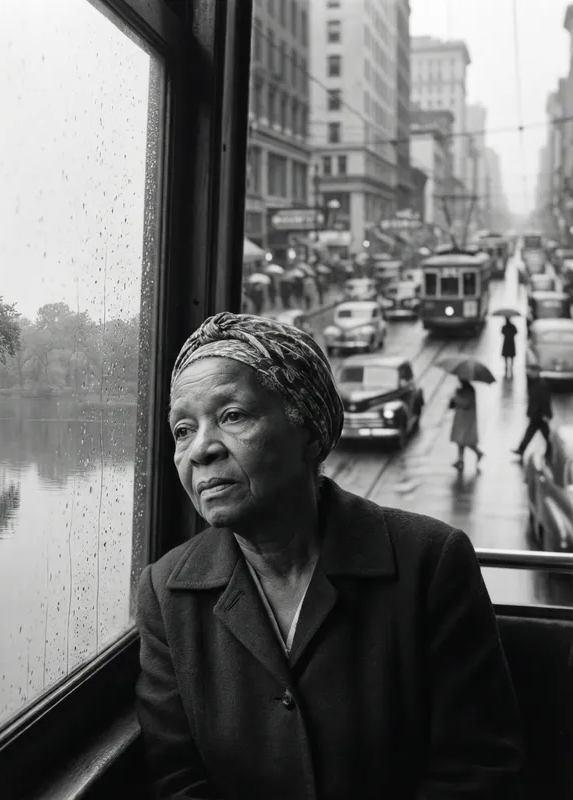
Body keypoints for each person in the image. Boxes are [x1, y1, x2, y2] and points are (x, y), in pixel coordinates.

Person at [136, 312, 524, 799]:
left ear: (310, 432)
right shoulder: (166, 592)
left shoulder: (430, 562)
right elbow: (177, 777)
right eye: (182, 430)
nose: (200, 450)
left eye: (232, 416)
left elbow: (477, 767)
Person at [512, 363, 553, 459]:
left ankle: (550, 452)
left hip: (540, 415)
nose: (530, 373)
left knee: (544, 435)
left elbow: (545, 401)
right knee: (532, 433)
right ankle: (521, 449)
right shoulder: (533, 383)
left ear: (537, 372)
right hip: (536, 414)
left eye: (532, 371)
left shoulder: (541, 385)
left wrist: (546, 414)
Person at [449, 378, 483, 470]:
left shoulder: (469, 391)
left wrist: (456, 398)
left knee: (465, 440)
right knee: (460, 441)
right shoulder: (461, 390)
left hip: (467, 420)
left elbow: (465, 403)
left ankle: (478, 453)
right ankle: (460, 460)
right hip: (461, 419)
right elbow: (452, 405)